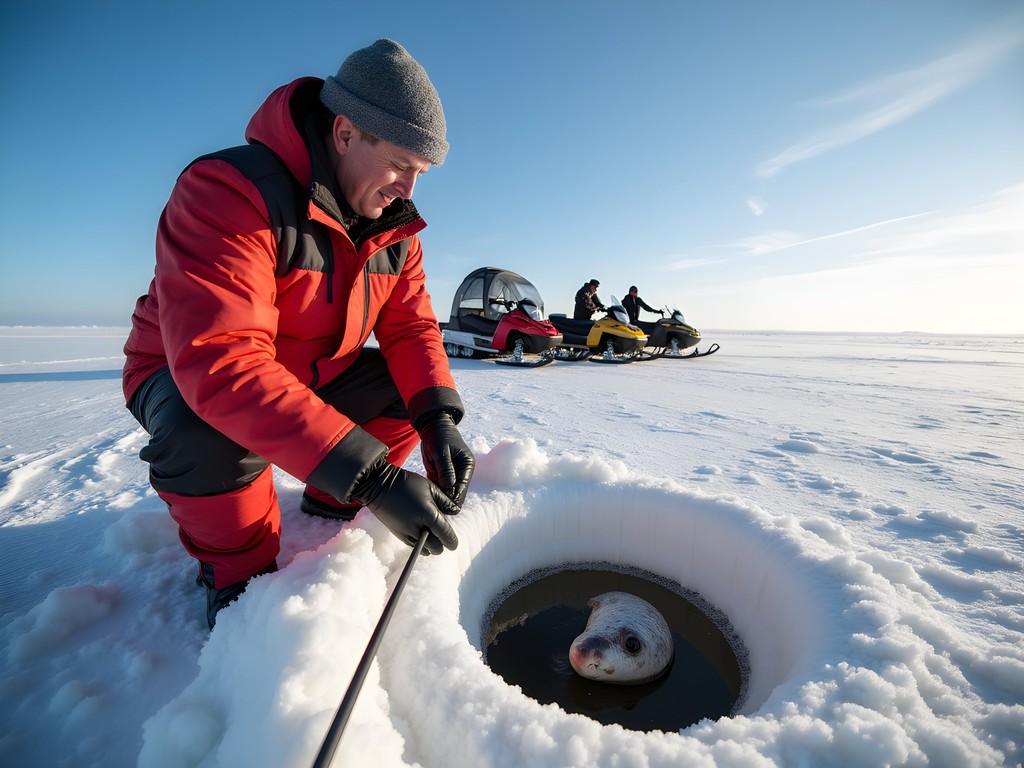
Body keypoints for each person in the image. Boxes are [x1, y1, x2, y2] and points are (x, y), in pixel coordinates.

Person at [122, 39, 475, 629]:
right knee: (200, 431)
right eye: (400, 165)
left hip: (310, 373)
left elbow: (411, 326)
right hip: (181, 373)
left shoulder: (396, 231)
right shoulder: (229, 190)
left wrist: (438, 419)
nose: (408, 190)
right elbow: (222, 363)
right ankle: (238, 577)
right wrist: (377, 477)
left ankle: (329, 502)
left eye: (421, 173)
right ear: (344, 133)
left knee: (404, 389)